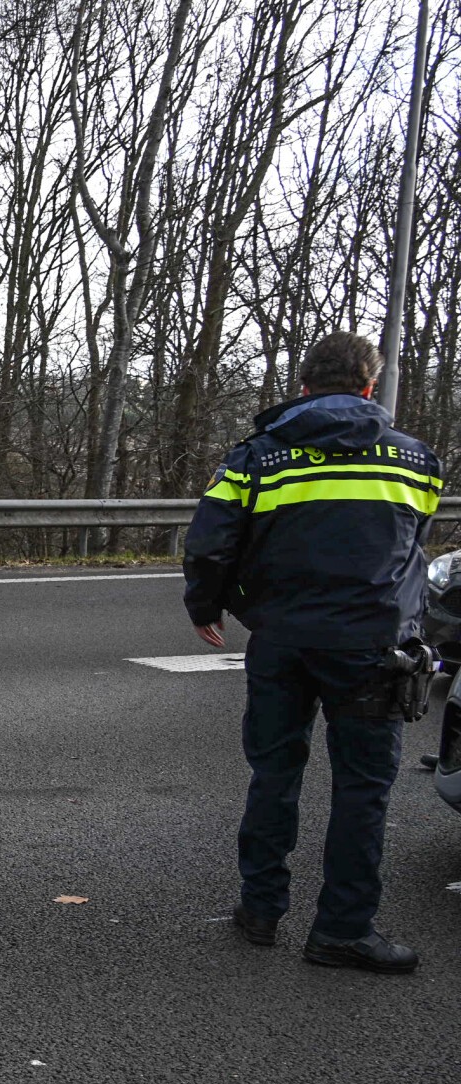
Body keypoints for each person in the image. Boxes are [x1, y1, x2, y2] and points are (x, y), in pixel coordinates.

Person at [183, 331, 441, 973]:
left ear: (302, 386)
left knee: (275, 773)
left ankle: (261, 910)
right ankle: (343, 931)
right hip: (372, 647)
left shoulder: (257, 458)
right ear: (369, 386)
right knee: (363, 790)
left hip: (283, 639)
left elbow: (210, 541)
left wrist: (209, 606)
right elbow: (412, 548)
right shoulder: (416, 461)